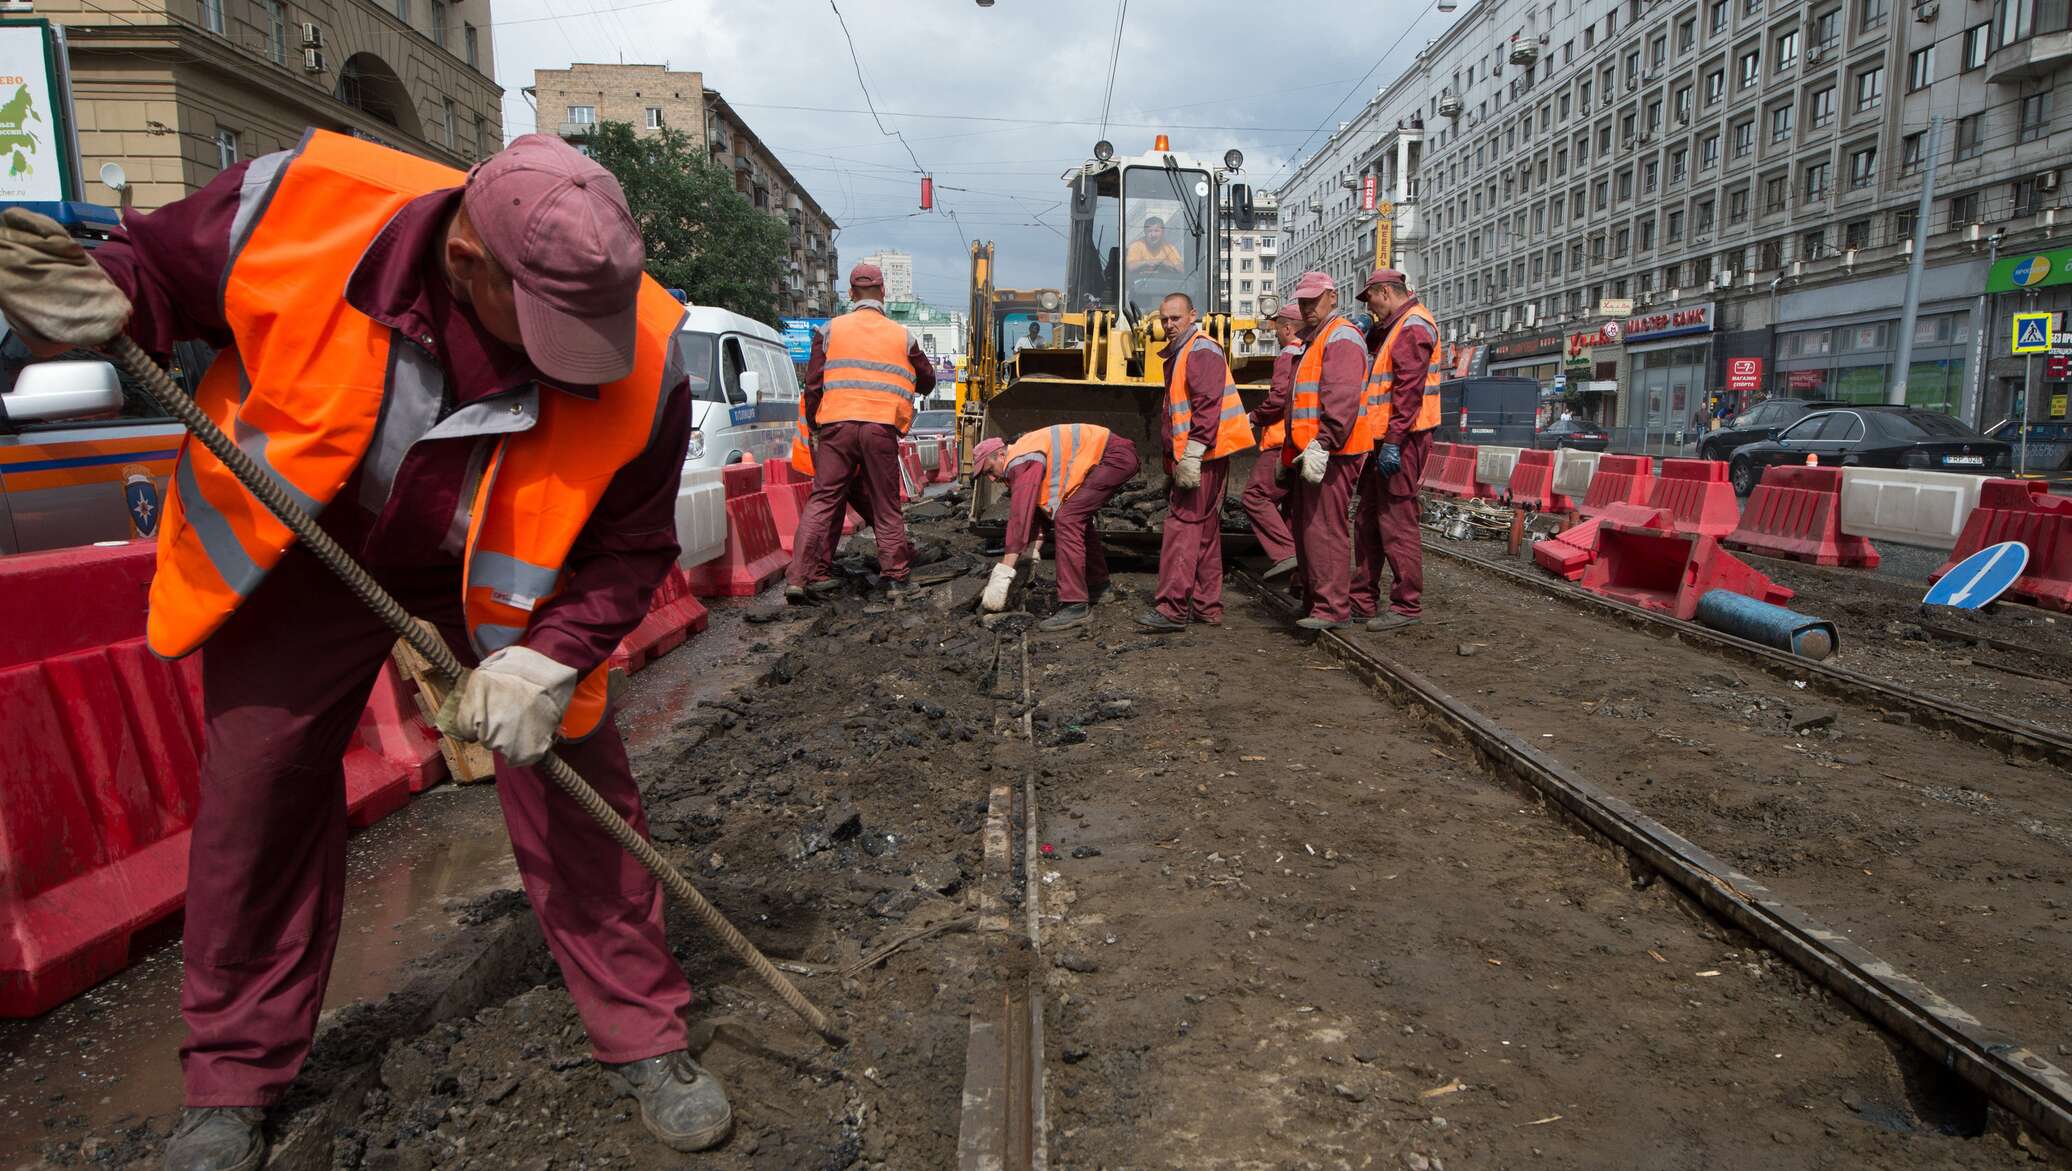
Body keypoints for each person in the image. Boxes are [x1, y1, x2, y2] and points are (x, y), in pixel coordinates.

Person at [0, 131, 730, 1170]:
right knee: (259, 796)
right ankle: (232, 1078)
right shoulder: (295, 203)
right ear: (465, 256)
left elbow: (630, 545)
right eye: (544, 324)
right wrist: (98, 291)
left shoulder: (646, 353)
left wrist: (548, 659)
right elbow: (156, 274)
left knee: (572, 775)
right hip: (302, 542)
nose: (571, 350)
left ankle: (643, 1029)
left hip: (499, 563)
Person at [784, 263, 935, 602]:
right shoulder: (902, 336)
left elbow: (813, 384)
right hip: (880, 426)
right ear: (883, 293)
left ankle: (798, 578)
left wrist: (815, 427)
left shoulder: (830, 331)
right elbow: (928, 379)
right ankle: (895, 575)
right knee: (885, 505)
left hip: (836, 426)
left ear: (851, 295)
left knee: (822, 501)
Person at [1137, 293, 1252, 632]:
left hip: (1203, 456)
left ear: (1192, 315)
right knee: (1203, 532)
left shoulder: (1200, 350)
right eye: (1164, 319)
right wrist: (1173, 464)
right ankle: (1206, 606)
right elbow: (1176, 414)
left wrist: (1192, 455)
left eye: (1175, 318)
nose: (1169, 325)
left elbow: (1206, 407)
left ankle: (1172, 609)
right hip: (1201, 456)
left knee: (1182, 528)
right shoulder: (1184, 352)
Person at [971, 424, 1140, 631]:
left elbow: (1020, 517)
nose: (991, 478)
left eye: (989, 470)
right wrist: (1031, 553)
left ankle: (1075, 605)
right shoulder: (1023, 457)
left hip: (1114, 456)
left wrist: (1003, 572)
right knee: (1073, 518)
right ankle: (1098, 586)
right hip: (1114, 454)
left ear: (1000, 454)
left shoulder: (1020, 461)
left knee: (1068, 519)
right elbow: (1039, 512)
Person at [1350, 268, 1442, 632]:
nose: (1369, 306)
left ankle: (1406, 605)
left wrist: (1393, 442)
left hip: (1402, 439)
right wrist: (1365, 331)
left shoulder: (1413, 327)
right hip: (1385, 439)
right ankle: (1362, 599)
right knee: (1368, 520)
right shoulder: (1396, 326)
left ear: (1385, 292)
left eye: (1369, 298)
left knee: (1396, 523)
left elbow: (1408, 392)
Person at [1282, 270, 1374, 631]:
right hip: (1316, 450)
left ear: (1332, 298)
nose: (1307, 307)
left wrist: (1324, 442)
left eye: (1313, 300)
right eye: (1302, 301)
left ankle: (1332, 608)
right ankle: (1317, 601)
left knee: (1325, 528)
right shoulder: (1317, 340)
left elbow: (1341, 398)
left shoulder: (1341, 338)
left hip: (1335, 450)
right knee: (1311, 528)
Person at [1241, 303, 1305, 579]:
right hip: (1304, 442)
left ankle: (1285, 553)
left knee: (1255, 496)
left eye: (1279, 330)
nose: (1277, 336)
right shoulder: (1311, 352)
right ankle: (1301, 576)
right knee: (1293, 508)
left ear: (1288, 328)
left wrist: (1254, 417)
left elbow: (1279, 398)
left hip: (1281, 441)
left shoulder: (1289, 353)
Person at [1125, 216, 1184, 283]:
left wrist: (1162, 262)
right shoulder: (1136, 245)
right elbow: (1130, 267)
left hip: (1164, 288)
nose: (1153, 235)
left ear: (1163, 232)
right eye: (1149, 231)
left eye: (1156, 231)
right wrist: (1146, 263)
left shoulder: (1169, 248)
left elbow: (1181, 269)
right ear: (1145, 232)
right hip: (1139, 288)